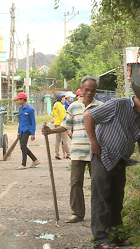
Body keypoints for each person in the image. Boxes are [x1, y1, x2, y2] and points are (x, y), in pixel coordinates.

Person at [84, 82, 140, 249]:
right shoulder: (117, 105)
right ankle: (100, 238)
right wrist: (94, 142)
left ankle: (116, 234)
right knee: (101, 198)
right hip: (102, 155)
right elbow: (89, 117)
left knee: (116, 199)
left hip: (120, 160)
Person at [42, 76, 103, 223]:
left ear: (96, 92)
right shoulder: (74, 106)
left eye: (92, 90)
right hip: (77, 152)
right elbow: (66, 126)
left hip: (95, 152)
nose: (89, 93)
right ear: (81, 90)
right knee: (76, 182)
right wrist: (50, 131)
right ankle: (77, 213)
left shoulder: (101, 106)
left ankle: (99, 214)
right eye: (87, 90)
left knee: (98, 183)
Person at [14, 92, 40, 170]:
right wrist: (18, 131)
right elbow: (20, 121)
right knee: (23, 147)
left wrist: (33, 133)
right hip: (22, 129)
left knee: (23, 145)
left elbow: (33, 122)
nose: (18, 101)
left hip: (27, 129)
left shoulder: (30, 109)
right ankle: (35, 159)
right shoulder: (20, 109)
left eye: (19, 99)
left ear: (23, 99)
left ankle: (24, 164)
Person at [52, 92, 70, 160]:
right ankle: (68, 154)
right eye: (63, 97)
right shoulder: (60, 106)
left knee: (57, 140)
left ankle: (57, 154)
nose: (64, 99)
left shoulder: (55, 106)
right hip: (61, 123)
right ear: (60, 98)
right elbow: (63, 116)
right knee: (65, 139)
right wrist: (66, 123)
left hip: (56, 123)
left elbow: (53, 115)